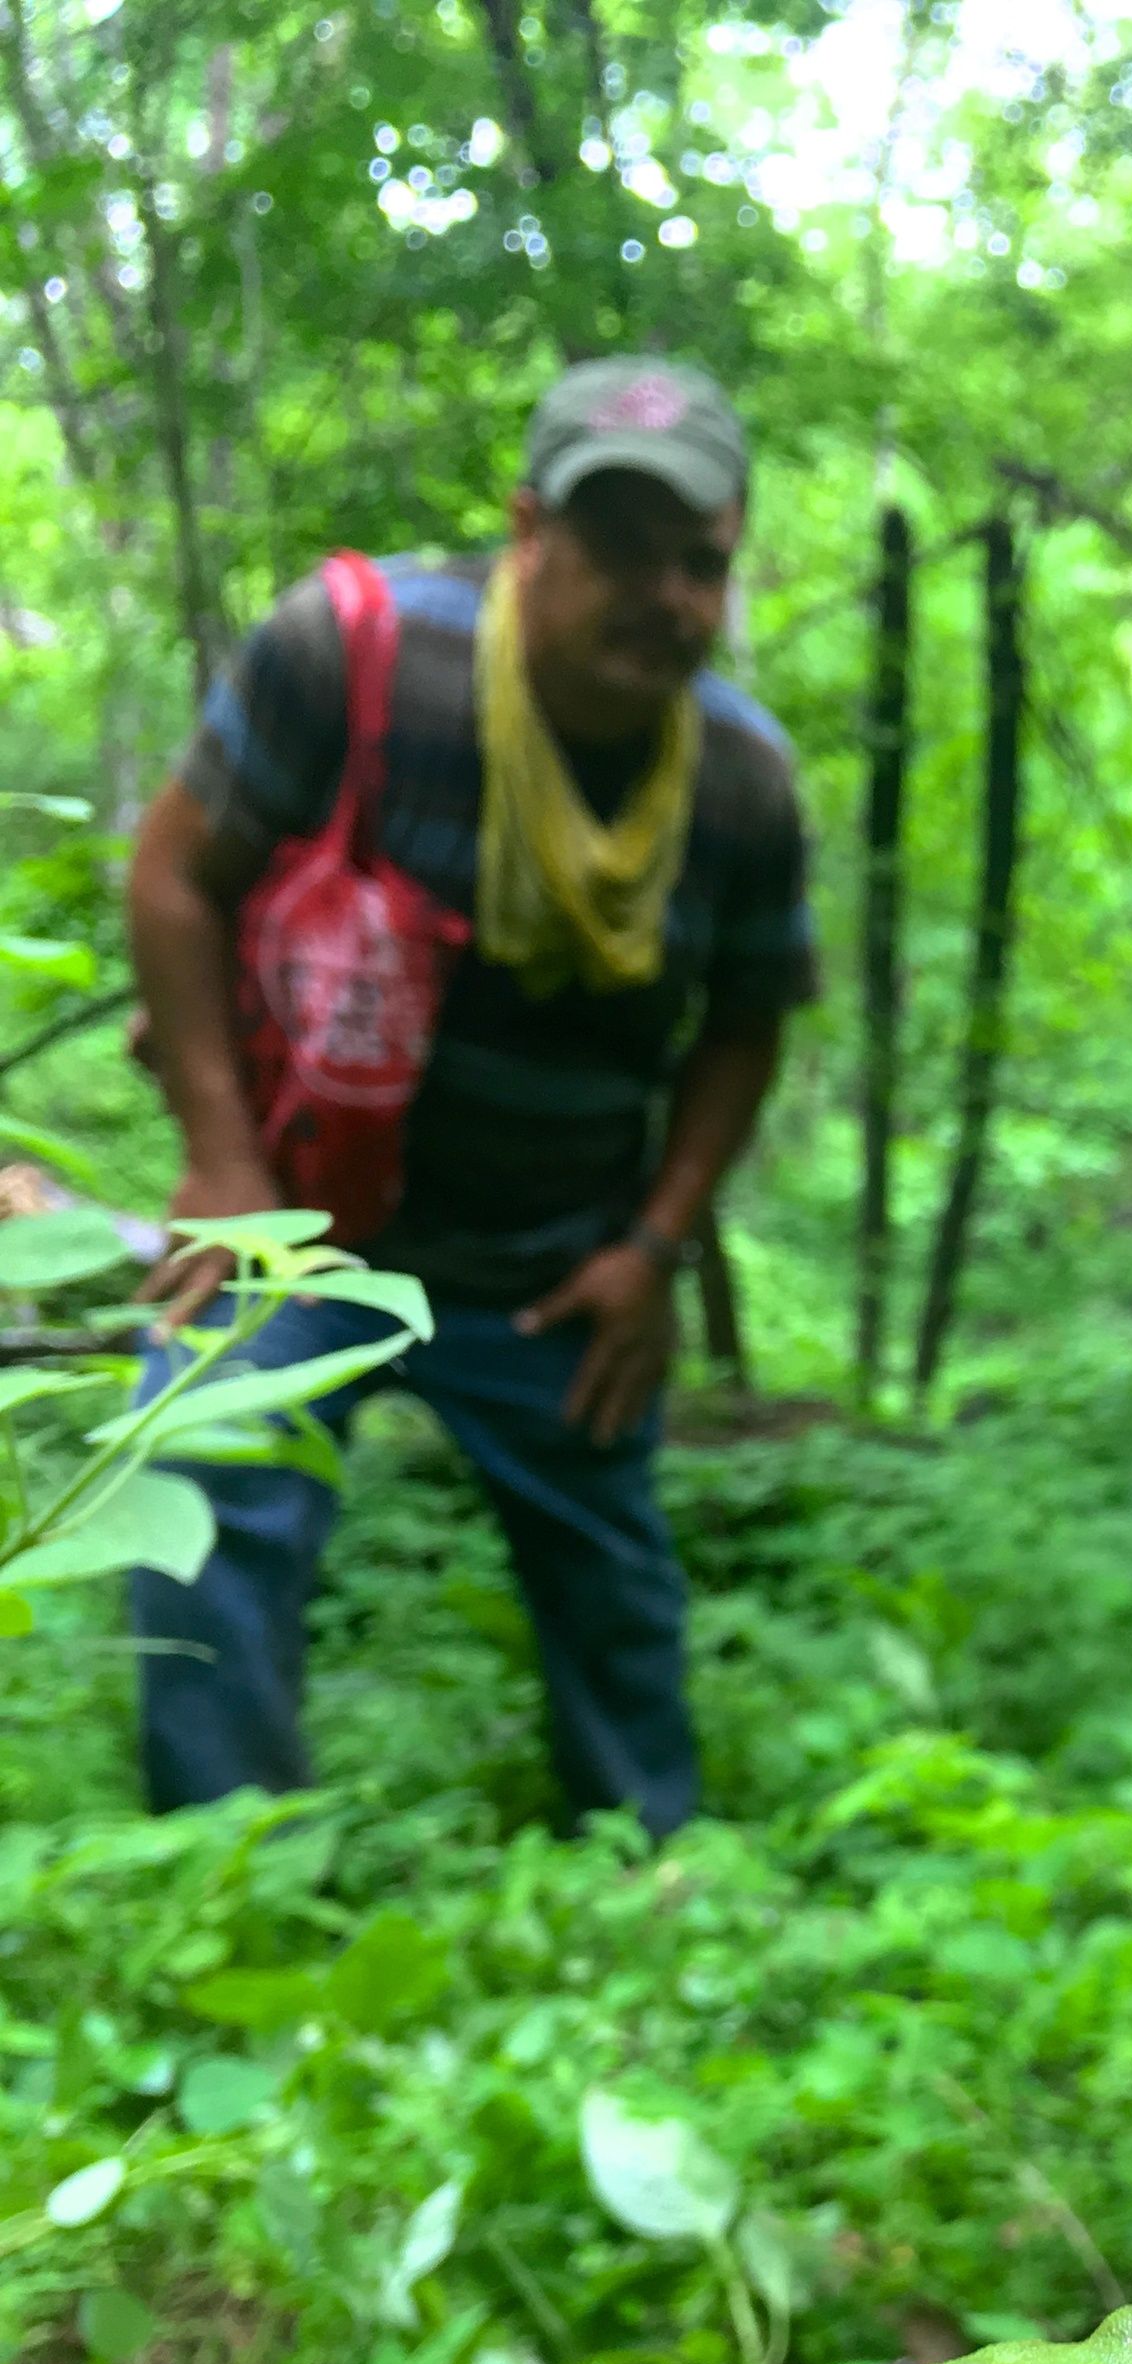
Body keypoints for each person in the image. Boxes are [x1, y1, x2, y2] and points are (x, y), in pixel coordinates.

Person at [123, 356, 816, 1837]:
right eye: (623, 545)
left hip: (553, 1255)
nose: (666, 595)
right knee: (208, 1484)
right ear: (528, 529)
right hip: (302, 1219)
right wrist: (218, 1164)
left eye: (699, 561)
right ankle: (219, 1879)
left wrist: (656, 1247)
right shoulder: (353, 654)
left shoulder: (743, 781)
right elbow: (176, 873)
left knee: (610, 1576)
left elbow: (746, 1026)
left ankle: (650, 1876)